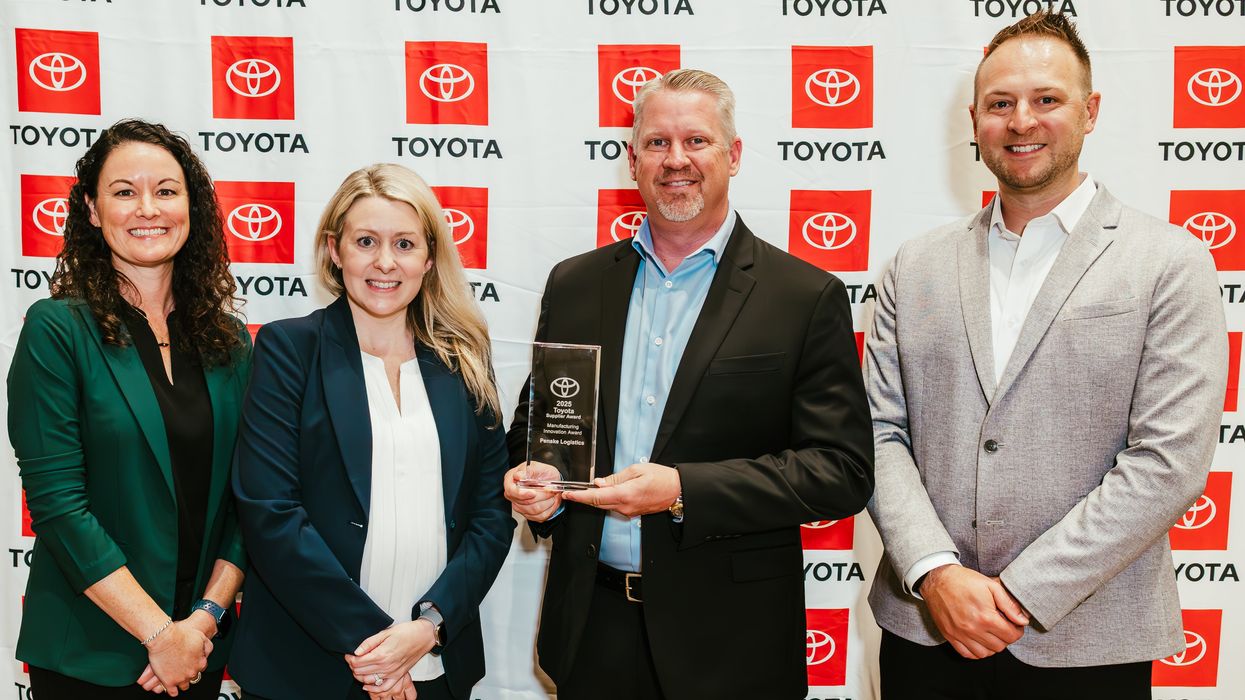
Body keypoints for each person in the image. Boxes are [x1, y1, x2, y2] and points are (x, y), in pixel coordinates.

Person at [865, 11, 1227, 700]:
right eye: (999, 103)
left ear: (1089, 112)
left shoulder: (1170, 262)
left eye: (1045, 99)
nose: (1020, 120)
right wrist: (936, 574)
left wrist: (1019, 593)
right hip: (924, 629)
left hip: (1090, 642)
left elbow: (1168, 462)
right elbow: (877, 433)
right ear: (974, 120)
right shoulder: (912, 268)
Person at [503, 69, 874, 700]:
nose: (676, 160)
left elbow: (840, 471)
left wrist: (682, 490)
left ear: (732, 155)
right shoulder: (575, 285)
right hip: (591, 630)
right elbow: (536, 430)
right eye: (657, 143)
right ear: (632, 160)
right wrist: (535, 485)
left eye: (697, 141)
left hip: (732, 645)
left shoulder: (804, 297)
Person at [229, 164, 514, 700]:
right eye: (366, 241)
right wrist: (377, 649)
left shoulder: (464, 360)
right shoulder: (289, 350)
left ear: (429, 258)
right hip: (308, 670)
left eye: (404, 244)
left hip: (433, 665)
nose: (385, 262)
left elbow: (490, 516)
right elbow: (270, 514)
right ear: (335, 251)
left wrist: (428, 628)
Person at [8, 119, 251, 699]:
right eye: (124, 191)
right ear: (92, 211)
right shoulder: (57, 329)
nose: (149, 208)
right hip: (90, 658)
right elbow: (60, 507)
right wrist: (157, 633)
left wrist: (201, 623)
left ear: (191, 208)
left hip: (198, 650)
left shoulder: (230, 341)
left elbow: (248, 500)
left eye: (167, 191)